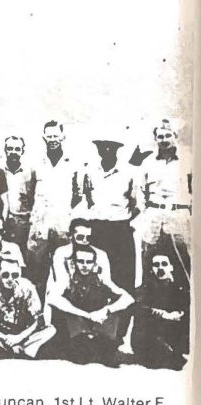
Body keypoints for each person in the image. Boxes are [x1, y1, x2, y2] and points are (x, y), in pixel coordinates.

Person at [46, 245, 133, 364]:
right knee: (65, 310)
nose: (85, 265)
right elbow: (52, 298)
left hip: (99, 325)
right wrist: (86, 315)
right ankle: (86, 348)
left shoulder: (101, 280)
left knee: (118, 307)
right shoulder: (68, 281)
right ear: (74, 263)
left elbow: (128, 298)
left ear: (94, 263)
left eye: (89, 262)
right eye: (81, 261)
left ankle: (106, 347)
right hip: (78, 328)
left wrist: (106, 310)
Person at [77, 139, 138, 293]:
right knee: (97, 271)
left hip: (119, 229)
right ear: (99, 151)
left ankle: (123, 314)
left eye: (111, 149)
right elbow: (86, 199)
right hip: (97, 228)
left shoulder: (128, 173)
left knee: (122, 274)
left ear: (117, 151)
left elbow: (137, 204)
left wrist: (124, 220)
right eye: (103, 149)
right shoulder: (90, 172)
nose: (107, 152)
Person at [27, 120, 85, 282]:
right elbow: (30, 192)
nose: (52, 139)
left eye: (56, 136)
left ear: (62, 137)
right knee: (37, 266)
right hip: (41, 224)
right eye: (49, 136)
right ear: (44, 138)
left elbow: (79, 194)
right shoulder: (37, 164)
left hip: (63, 224)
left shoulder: (73, 164)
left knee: (64, 266)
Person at [138, 119, 191, 279]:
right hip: (154, 216)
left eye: (168, 135)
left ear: (175, 136)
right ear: (155, 139)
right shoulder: (148, 162)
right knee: (148, 256)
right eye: (160, 137)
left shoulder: (188, 161)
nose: (164, 140)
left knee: (183, 257)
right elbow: (141, 190)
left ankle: (187, 298)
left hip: (178, 215)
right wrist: (145, 212)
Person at [132, 251, 189, 367]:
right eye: (156, 265)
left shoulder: (179, 288)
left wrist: (179, 313)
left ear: (171, 267)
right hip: (150, 337)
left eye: (164, 264)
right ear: (152, 269)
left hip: (170, 332)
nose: (160, 268)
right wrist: (162, 314)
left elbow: (187, 306)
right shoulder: (145, 288)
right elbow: (138, 307)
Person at [49, 218, 112, 287]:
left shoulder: (101, 254)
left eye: (88, 238)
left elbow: (107, 281)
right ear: (71, 236)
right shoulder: (61, 253)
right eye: (80, 237)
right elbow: (62, 282)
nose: (85, 241)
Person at [0, 135, 36, 255]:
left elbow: (33, 196)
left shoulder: (29, 172)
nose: (13, 152)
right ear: (5, 150)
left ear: (22, 151)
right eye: (10, 149)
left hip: (22, 221)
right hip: (2, 219)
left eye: (17, 149)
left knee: (21, 254)